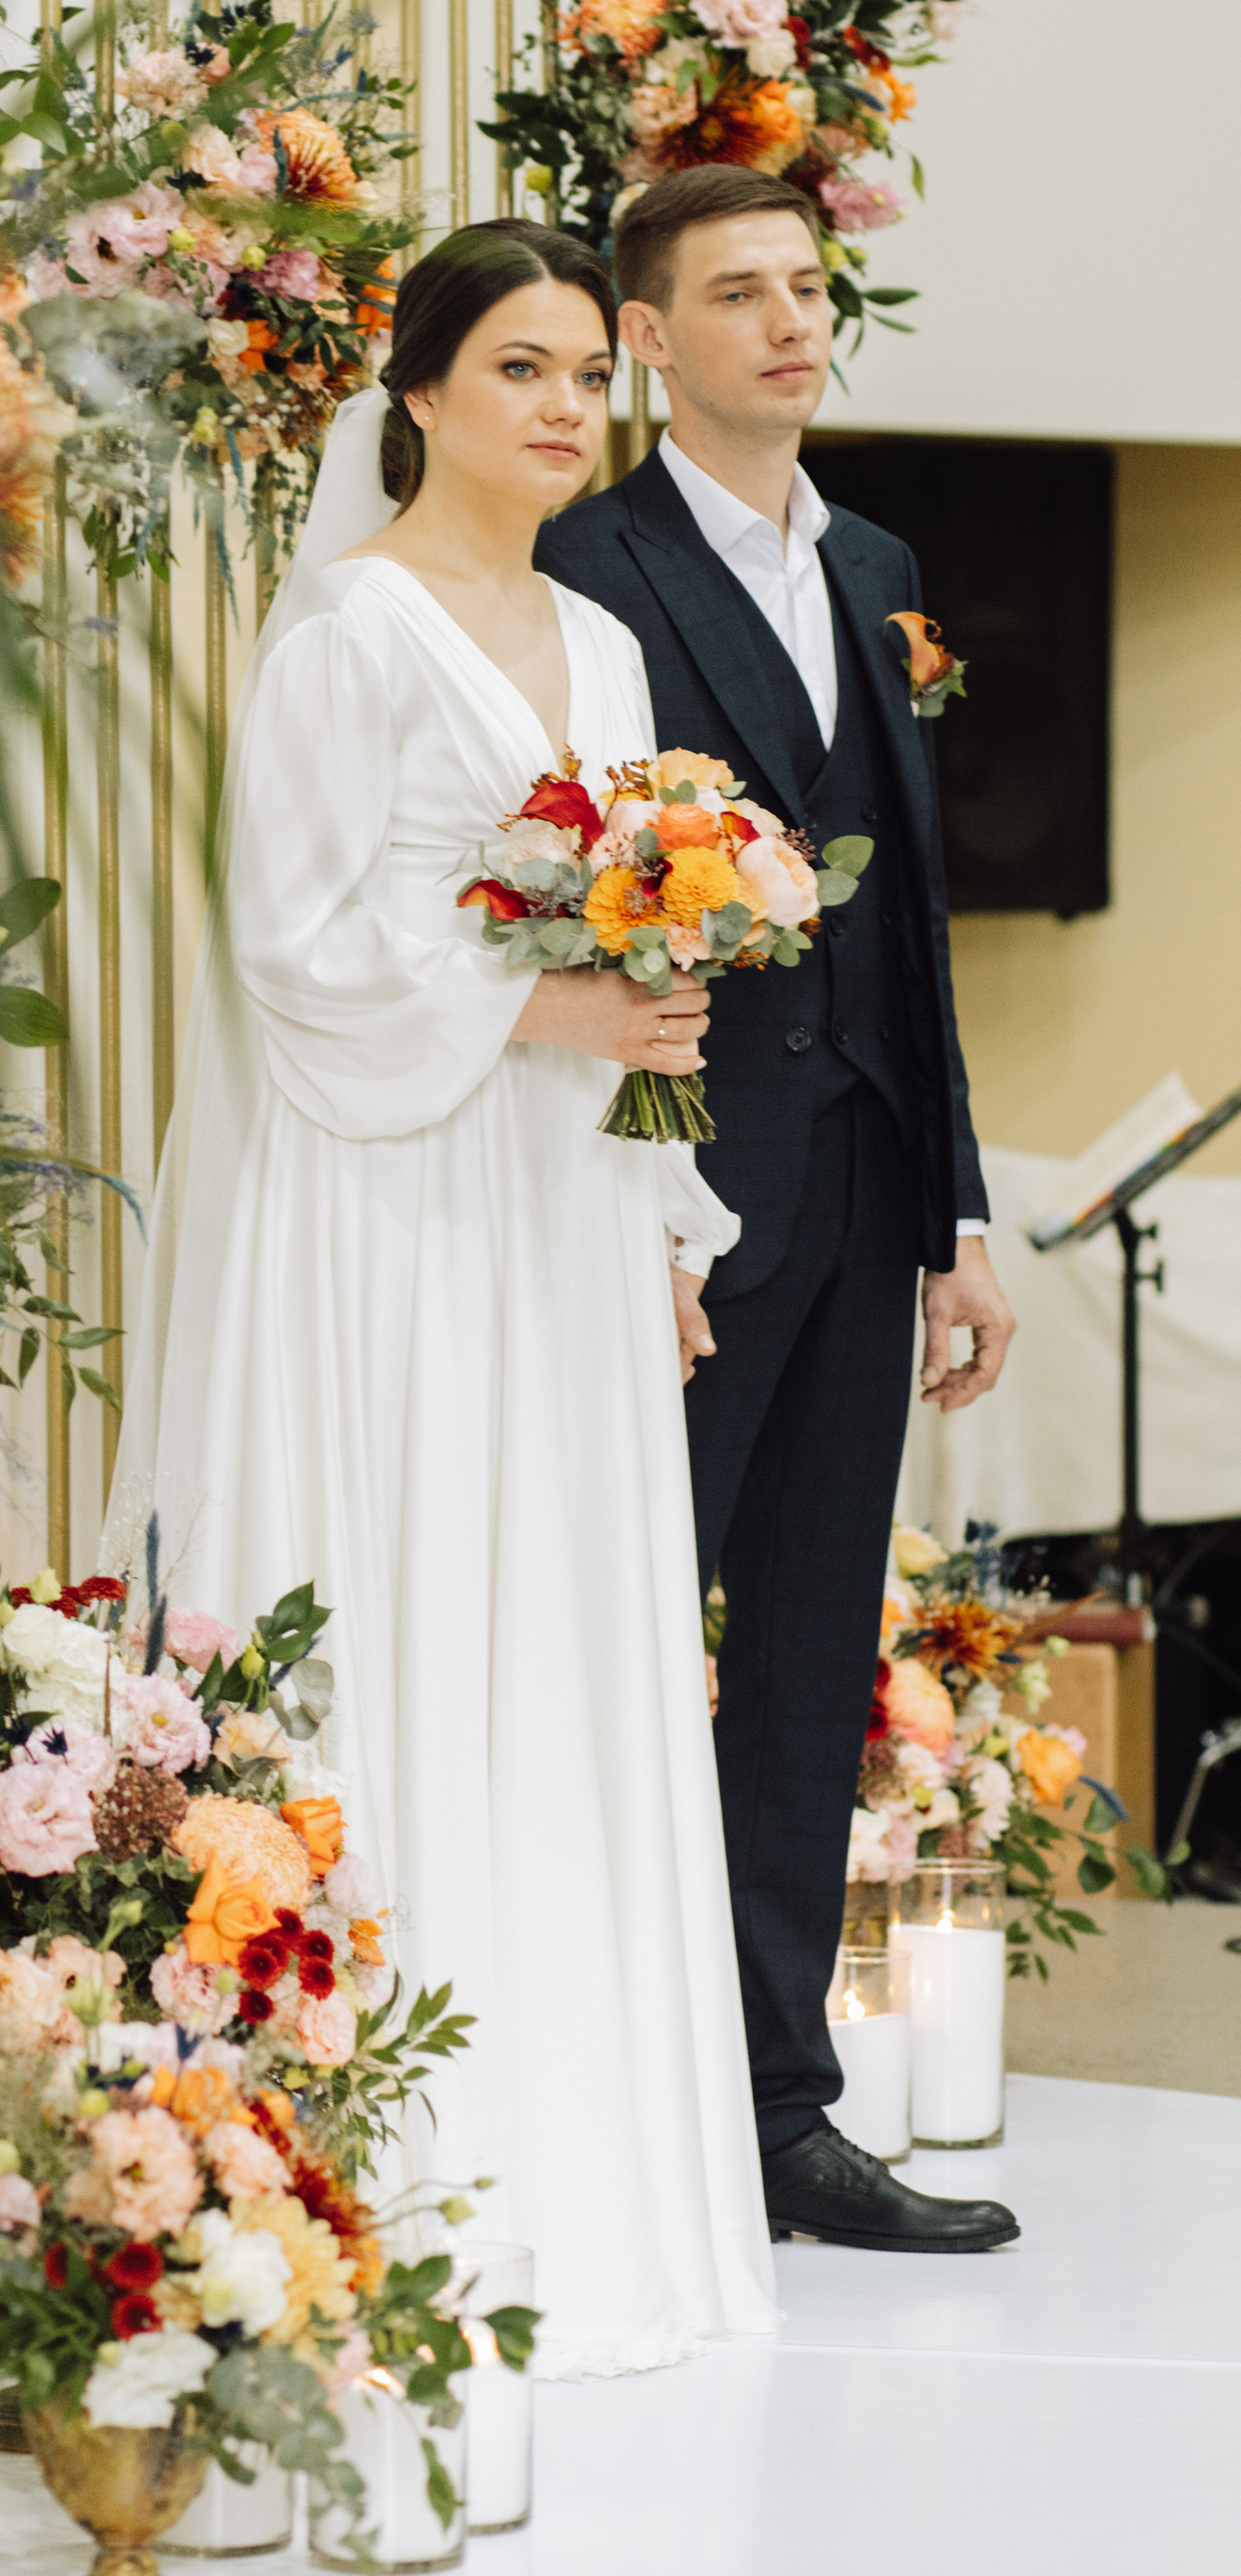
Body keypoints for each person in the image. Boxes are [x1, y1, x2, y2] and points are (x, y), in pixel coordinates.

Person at [108, 219, 778, 2379]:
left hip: (554, 1209)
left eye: (588, 368)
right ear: (412, 395)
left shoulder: (599, 633)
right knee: (409, 1600)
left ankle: (581, 2179)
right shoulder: (347, 635)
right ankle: (370, 2181)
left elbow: (624, 936)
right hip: (389, 1201)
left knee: (564, 1633)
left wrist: (660, 1221)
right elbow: (293, 949)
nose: (567, 405)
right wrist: (548, 1017)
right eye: (518, 367)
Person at [537, 161, 1018, 2258]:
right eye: (736, 295)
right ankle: (588, 2106)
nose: (788, 324)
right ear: (647, 339)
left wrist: (961, 1221)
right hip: (666, 1213)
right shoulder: (580, 567)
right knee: (614, 1645)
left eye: (805, 288)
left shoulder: (878, 559)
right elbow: (541, 901)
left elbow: (908, 922)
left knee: (810, 1663)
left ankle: (776, 2118)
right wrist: (618, 1222)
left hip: (861, 1185)